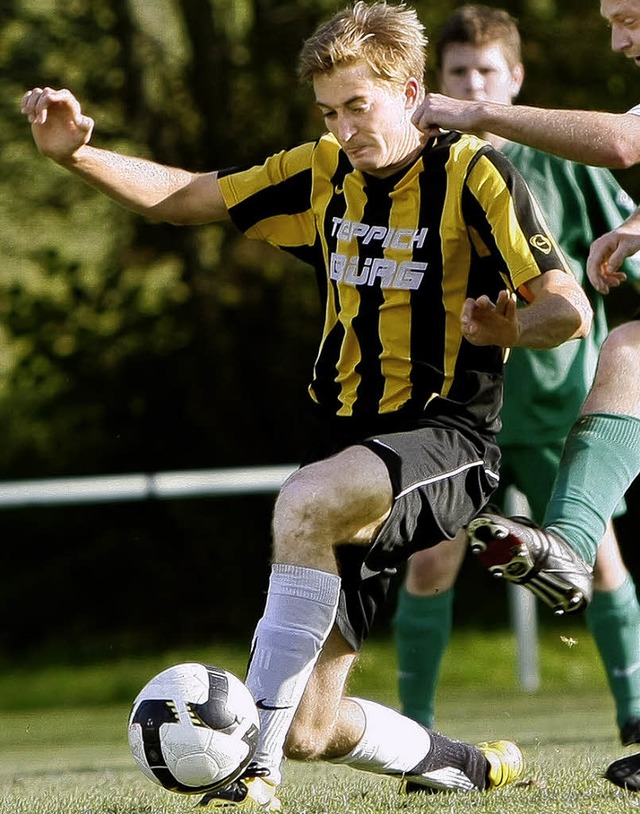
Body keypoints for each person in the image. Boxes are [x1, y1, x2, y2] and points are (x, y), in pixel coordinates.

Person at [20, 2, 594, 808]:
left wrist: (516, 325)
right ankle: (466, 764)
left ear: (409, 90)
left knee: (303, 502)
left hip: (447, 439)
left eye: (359, 106)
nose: (345, 127)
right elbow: (187, 194)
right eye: (330, 111)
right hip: (345, 445)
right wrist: (77, 156)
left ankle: (248, 770)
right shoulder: (321, 170)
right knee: (314, 727)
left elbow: (570, 310)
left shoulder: (475, 174)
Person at [393, 2, 640, 753]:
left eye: (629, 16)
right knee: (434, 556)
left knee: (600, 559)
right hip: (461, 404)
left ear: (516, 77)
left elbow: (625, 144)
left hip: (557, 397)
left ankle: (633, 712)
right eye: (609, 19)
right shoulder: (415, 168)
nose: (617, 38)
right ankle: (414, 734)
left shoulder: (562, 156)